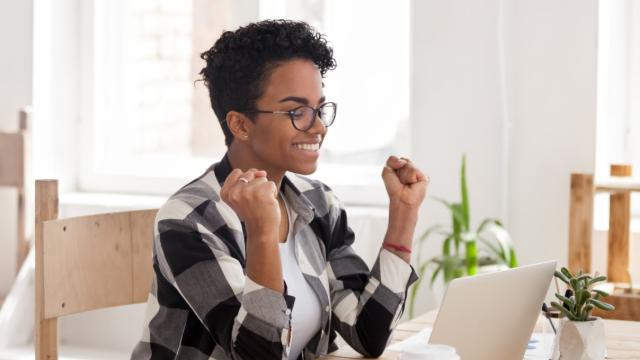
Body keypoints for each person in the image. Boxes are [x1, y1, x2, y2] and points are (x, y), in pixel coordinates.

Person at [131, 19, 429, 360]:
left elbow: (369, 334)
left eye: (319, 108)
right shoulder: (189, 220)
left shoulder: (319, 203)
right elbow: (260, 354)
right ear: (240, 124)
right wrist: (262, 233)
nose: (317, 126)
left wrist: (403, 216)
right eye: (296, 111)